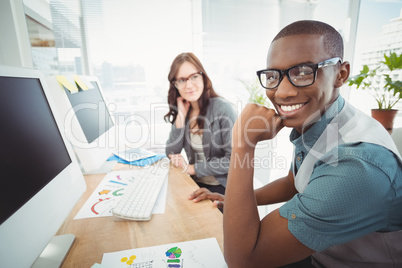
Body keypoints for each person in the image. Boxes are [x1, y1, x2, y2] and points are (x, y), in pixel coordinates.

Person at [195, 20, 402, 267]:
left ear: (341, 74)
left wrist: (243, 144)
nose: (282, 92)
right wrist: (229, 200)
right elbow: (292, 183)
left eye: (303, 72)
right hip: (319, 253)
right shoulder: (324, 119)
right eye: (273, 76)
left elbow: (243, 260)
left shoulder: (356, 166)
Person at [164, 52, 237, 196]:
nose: (189, 85)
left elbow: (233, 159)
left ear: (203, 77)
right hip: (195, 183)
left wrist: (193, 169)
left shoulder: (223, 109)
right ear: (175, 85)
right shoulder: (184, 111)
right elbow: (171, 153)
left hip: (223, 188)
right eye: (181, 80)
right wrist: (180, 118)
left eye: (194, 77)